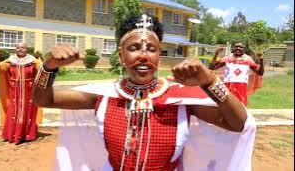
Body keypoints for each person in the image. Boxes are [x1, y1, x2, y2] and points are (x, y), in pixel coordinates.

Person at [33, 14, 256, 170]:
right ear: (120, 57)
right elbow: (43, 99)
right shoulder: (104, 95)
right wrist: (49, 66)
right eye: (133, 48)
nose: (143, 55)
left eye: (151, 49)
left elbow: (238, 123)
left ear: (159, 56)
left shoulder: (180, 99)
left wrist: (209, 80)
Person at [0, 43, 43, 144]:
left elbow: (42, 70)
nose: (20, 49)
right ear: (15, 49)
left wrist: (42, 59)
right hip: (13, 91)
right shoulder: (10, 61)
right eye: (18, 47)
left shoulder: (33, 61)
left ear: (27, 49)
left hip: (29, 92)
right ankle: (12, 134)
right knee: (14, 111)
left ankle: (27, 134)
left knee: (28, 111)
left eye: (23, 47)